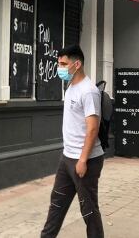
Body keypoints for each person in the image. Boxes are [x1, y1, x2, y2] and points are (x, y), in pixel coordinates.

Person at [41, 44, 104, 238]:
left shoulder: (89, 91)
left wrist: (83, 160)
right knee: (57, 203)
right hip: (67, 157)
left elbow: (93, 128)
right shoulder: (71, 88)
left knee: (89, 210)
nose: (59, 67)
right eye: (59, 63)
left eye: (63, 63)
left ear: (77, 64)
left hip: (85, 161)